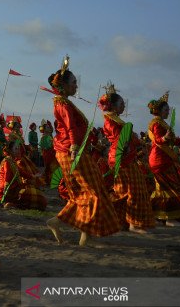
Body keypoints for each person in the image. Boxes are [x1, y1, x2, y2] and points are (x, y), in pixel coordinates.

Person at [45, 56, 120, 246]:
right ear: (63, 85)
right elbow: (70, 127)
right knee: (93, 191)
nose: (76, 86)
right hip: (71, 152)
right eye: (74, 83)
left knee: (84, 193)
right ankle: (87, 234)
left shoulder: (63, 103)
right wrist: (73, 147)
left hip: (74, 151)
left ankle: (60, 223)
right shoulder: (62, 104)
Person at [99, 83, 154, 234]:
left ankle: (123, 222)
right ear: (114, 107)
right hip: (120, 159)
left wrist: (138, 142)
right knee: (128, 190)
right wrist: (130, 144)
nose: (124, 106)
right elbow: (119, 140)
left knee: (133, 189)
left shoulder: (116, 120)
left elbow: (127, 138)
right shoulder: (110, 121)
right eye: (122, 104)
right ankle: (131, 223)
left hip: (127, 158)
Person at [147, 91, 180, 225]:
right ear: (159, 111)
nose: (168, 112)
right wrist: (164, 138)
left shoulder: (163, 123)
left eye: (168, 110)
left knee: (163, 188)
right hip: (160, 159)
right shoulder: (156, 124)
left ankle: (159, 216)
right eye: (166, 110)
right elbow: (158, 140)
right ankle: (169, 217)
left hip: (164, 159)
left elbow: (172, 141)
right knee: (170, 187)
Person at [0, 131, 47, 210]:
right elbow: (7, 179)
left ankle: (14, 203)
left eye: (18, 148)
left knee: (39, 196)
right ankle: (11, 203)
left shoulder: (12, 160)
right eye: (15, 149)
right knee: (38, 199)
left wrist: (33, 176)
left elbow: (21, 172)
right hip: (8, 191)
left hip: (15, 188)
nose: (18, 150)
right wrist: (7, 194)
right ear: (10, 151)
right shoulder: (7, 162)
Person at [40, 120, 57, 186]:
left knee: (52, 166)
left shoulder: (49, 136)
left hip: (52, 152)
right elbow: (44, 146)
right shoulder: (43, 137)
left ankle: (51, 180)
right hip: (47, 153)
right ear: (44, 129)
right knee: (48, 167)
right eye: (47, 127)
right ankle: (47, 180)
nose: (48, 128)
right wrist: (52, 144)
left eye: (48, 127)